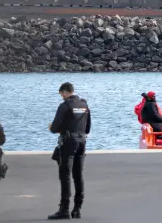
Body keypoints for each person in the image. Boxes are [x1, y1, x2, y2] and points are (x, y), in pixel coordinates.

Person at [48, 82, 90, 220]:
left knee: (65, 175)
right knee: (78, 175)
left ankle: (64, 209)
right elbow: (88, 127)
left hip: (68, 142)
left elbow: (55, 128)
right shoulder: (84, 105)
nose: (62, 97)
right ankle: (77, 208)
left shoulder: (64, 106)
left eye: (62, 94)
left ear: (65, 92)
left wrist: (51, 127)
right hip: (82, 141)